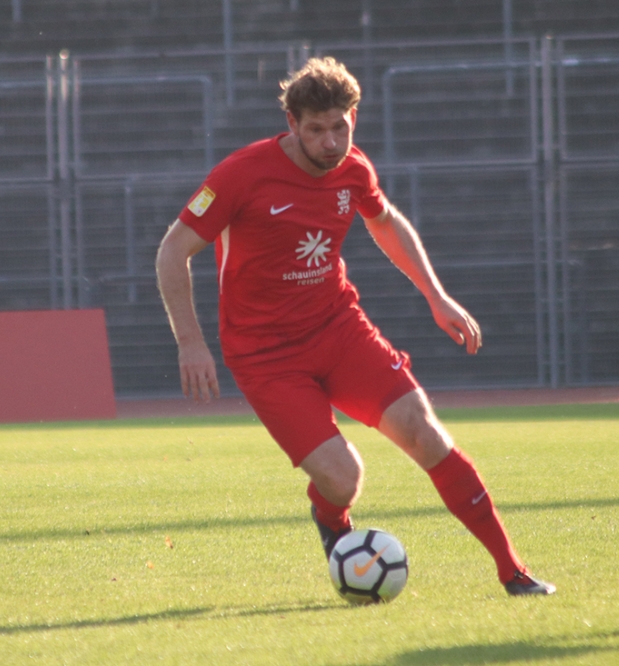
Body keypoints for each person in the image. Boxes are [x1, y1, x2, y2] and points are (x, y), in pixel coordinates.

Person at [155, 57, 554, 596]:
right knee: (344, 479)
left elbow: (384, 222)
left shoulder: (354, 169)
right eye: (315, 129)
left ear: (354, 119)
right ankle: (331, 520)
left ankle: (513, 571)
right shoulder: (240, 174)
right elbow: (172, 250)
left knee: (426, 434)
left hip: (339, 330)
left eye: (339, 127)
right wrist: (190, 342)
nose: (330, 142)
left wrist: (436, 296)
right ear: (292, 124)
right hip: (265, 357)